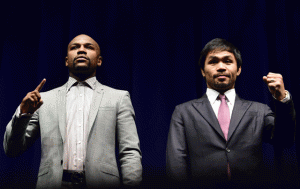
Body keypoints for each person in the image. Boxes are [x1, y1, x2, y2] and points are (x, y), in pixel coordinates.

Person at [4, 34, 142, 188]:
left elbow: (130, 152)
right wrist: (23, 114)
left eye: (88, 47)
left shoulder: (119, 98)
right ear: (66, 61)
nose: (81, 51)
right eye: (74, 47)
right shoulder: (43, 100)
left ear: (99, 60)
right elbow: (12, 150)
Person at [166, 38, 296, 188]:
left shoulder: (259, 110)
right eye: (213, 62)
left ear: (238, 69)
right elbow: (176, 163)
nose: (221, 67)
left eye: (228, 61)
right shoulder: (183, 112)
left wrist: (282, 99)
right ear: (202, 70)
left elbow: (285, 140)